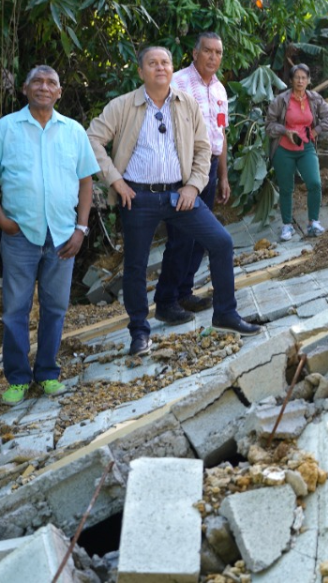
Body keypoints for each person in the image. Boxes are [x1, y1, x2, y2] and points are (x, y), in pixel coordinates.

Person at [87, 46, 261, 355]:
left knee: (220, 242)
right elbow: (92, 139)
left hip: (178, 194)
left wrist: (194, 186)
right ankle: (139, 333)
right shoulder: (123, 105)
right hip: (137, 198)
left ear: (171, 68)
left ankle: (225, 313)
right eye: (152, 63)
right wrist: (115, 180)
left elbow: (203, 148)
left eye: (165, 62)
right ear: (141, 72)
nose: (160, 67)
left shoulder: (186, 104)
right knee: (136, 266)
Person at [0, 66, 99, 405]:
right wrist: (1, 219)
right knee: (16, 308)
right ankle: (17, 378)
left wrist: (81, 227)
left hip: (63, 234)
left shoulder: (73, 131)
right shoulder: (6, 129)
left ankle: (47, 373)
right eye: (38, 82)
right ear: (25, 89)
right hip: (20, 235)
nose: (44, 88)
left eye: (51, 83)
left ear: (59, 92)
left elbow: (86, 180)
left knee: (56, 307)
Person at [155, 32, 231, 317]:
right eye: (208, 51)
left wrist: (222, 176)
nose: (213, 57)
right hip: (183, 168)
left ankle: (184, 292)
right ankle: (166, 301)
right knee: (181, 236)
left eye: (218, 52)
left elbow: (220, 134)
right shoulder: (178, 83)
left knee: (202, 236)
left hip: (209, 168)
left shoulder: (220, 90)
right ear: (195, 53)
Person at [264, 64, 328, 240]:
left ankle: (313, 223)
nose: (300, 81)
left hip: (306, 147)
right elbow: (269, 125)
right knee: (286, 188)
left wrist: (316, 130)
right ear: (290, 81)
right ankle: (287, 226)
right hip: (284, 149)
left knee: (314, 183)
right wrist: (285, 131)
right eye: (296, 77)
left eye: (304, 77)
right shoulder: (281, 100)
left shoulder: (314, 99)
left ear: (309, 80)